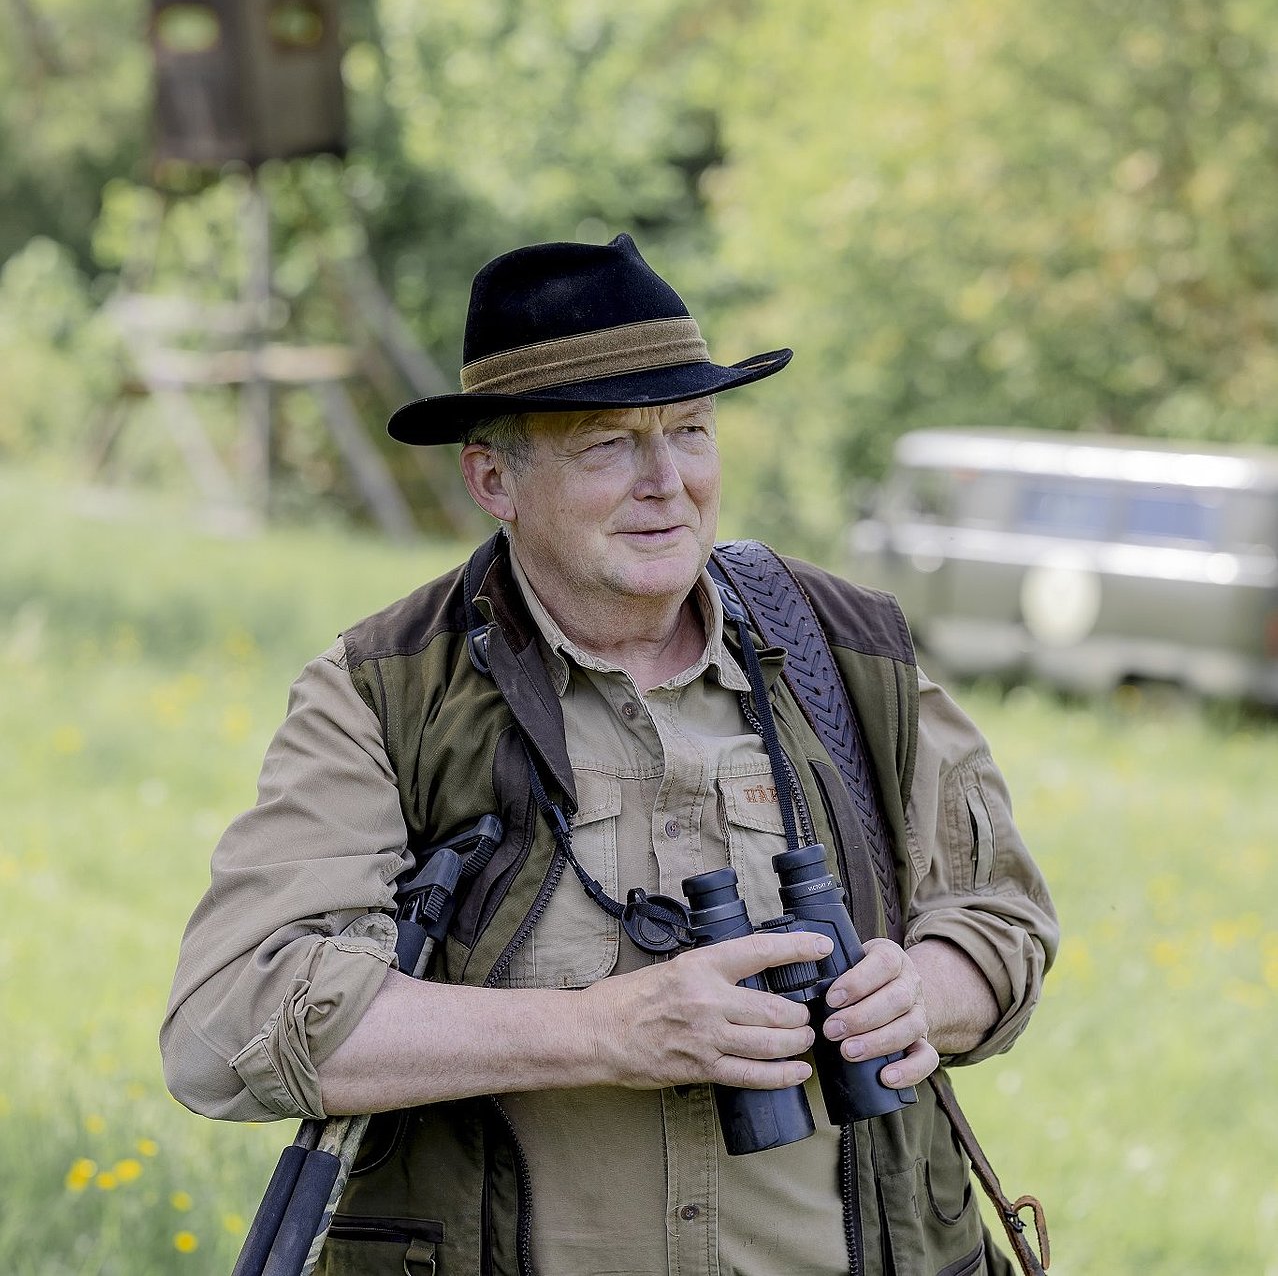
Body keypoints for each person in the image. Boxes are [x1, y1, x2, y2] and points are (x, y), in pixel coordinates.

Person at [162, 233, 1058, 1276]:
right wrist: (603, 1033)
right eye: (606, 445)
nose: (667, 482)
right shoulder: (385, 693)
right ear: (493, 479)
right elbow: (227, 1025)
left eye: (689, 430)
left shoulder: (844, 651)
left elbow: (1003, 922)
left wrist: (923, 992)